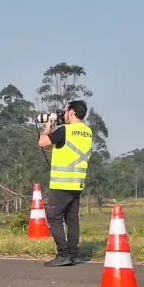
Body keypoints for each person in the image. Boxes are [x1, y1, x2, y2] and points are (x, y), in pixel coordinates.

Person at [39, 99, 94, 267]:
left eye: (66, 111)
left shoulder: (65, 130)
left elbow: (43, 143)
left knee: (54, 218)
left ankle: (63, 254)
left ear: (71, 112)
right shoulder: (87, 131)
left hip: (61, 183)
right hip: (76, 183)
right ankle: (74, 254)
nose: (64, 114)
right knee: (72, 219)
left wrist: (48, 126)